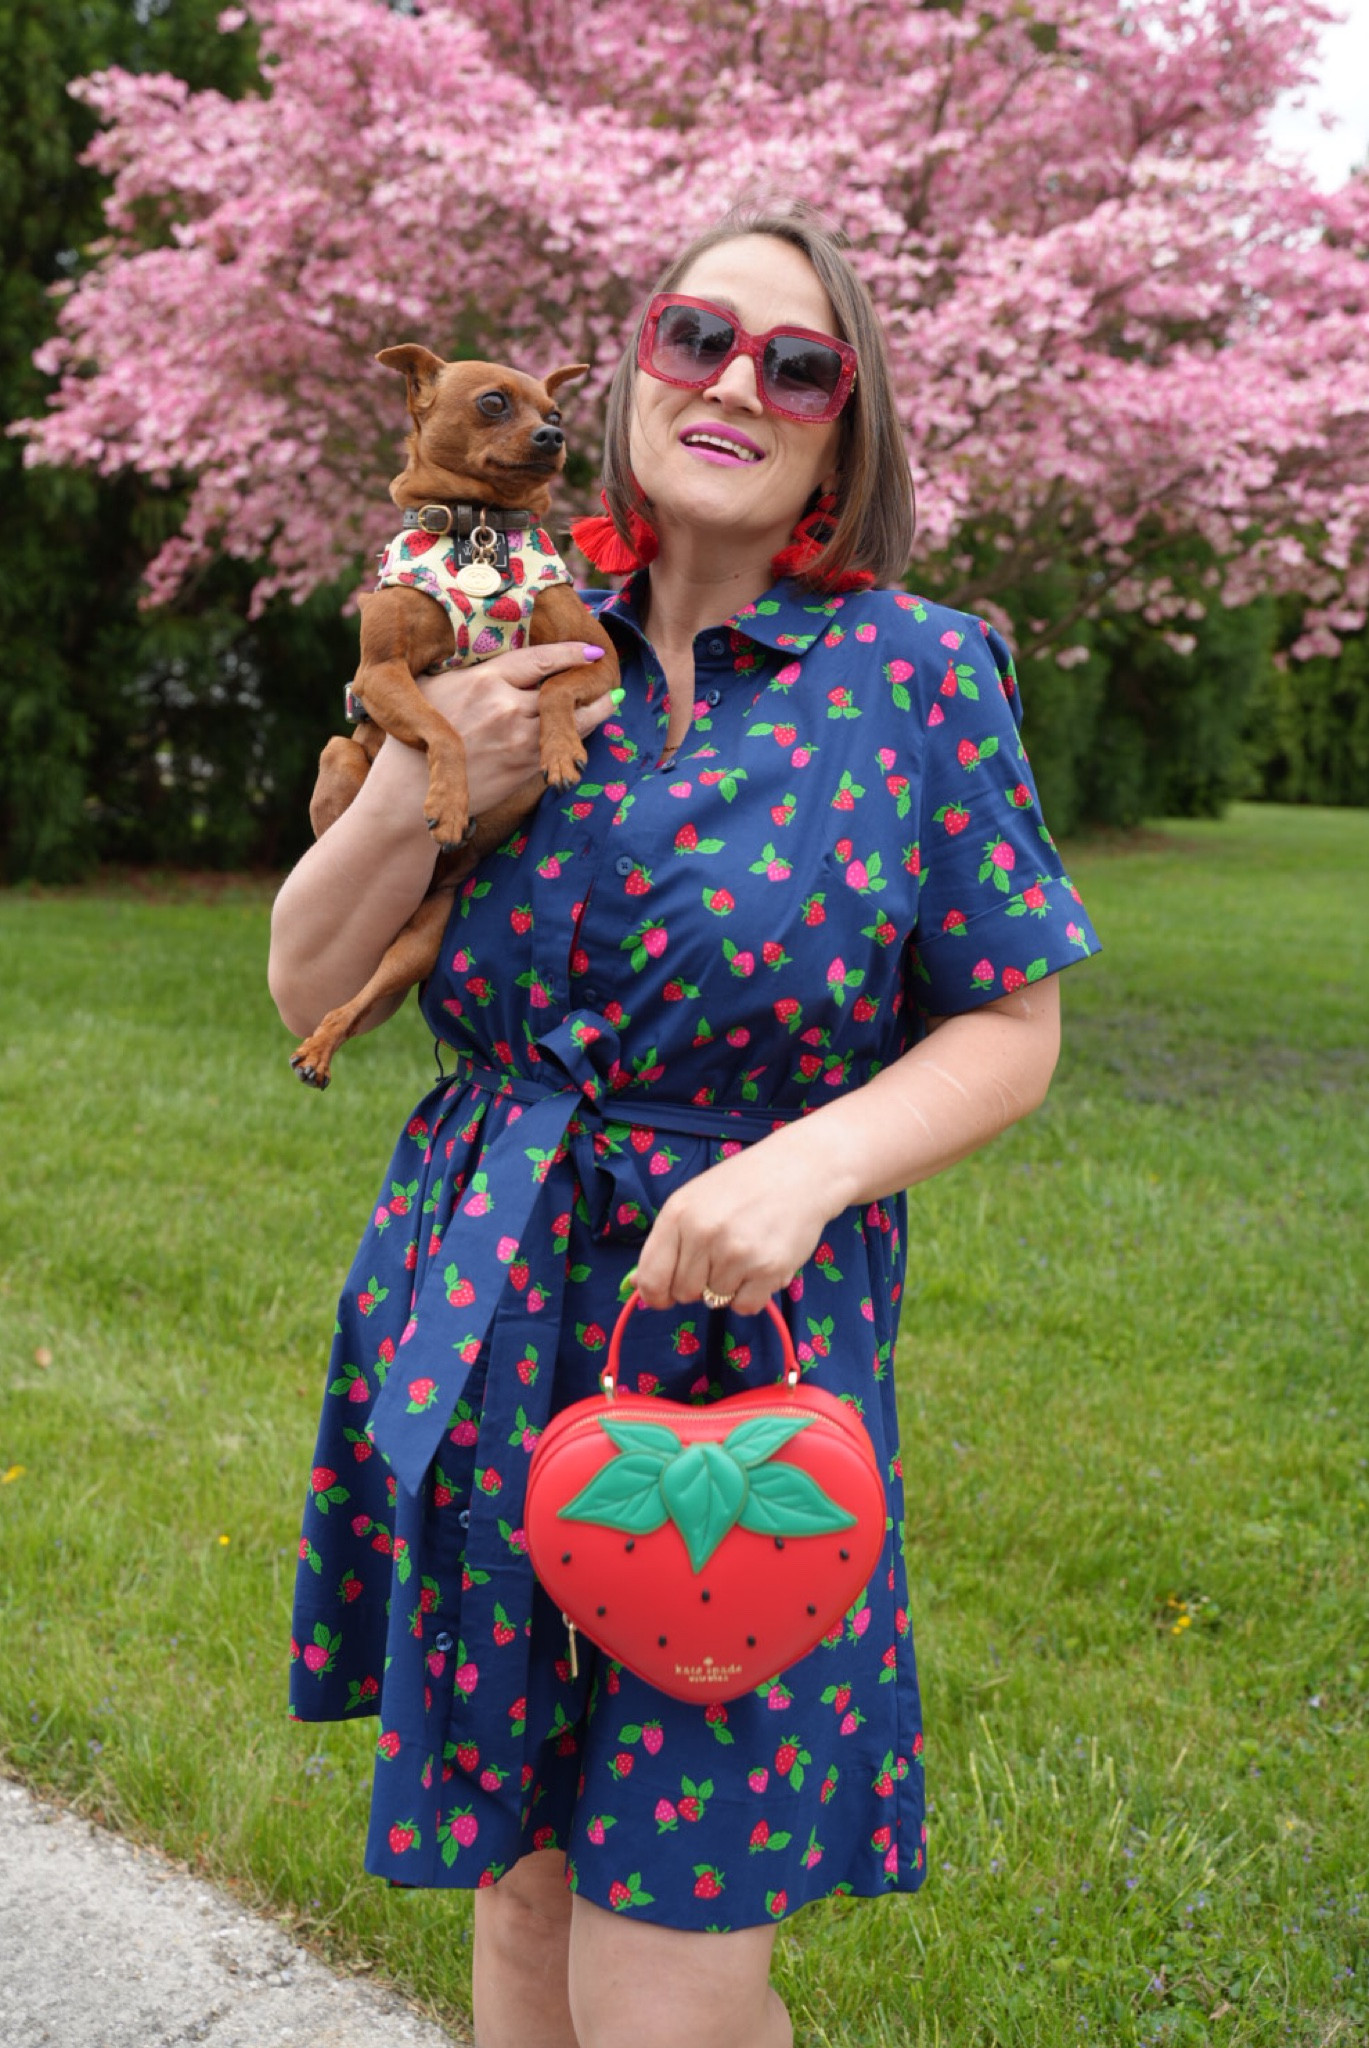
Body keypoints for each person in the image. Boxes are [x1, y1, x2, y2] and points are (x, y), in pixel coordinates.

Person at [269, 202, 1099, 2048]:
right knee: (521, 1893)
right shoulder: (496, 630)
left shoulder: (914, 673)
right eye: (693, 337)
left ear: (842, 427)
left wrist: (807, 1165)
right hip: (481, 1306)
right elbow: (304, 974)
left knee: (672, 1959)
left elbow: (1009, 1021)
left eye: (795, 365)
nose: (733, 384)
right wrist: (428, 775)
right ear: (635, 368)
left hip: (735, 1352)